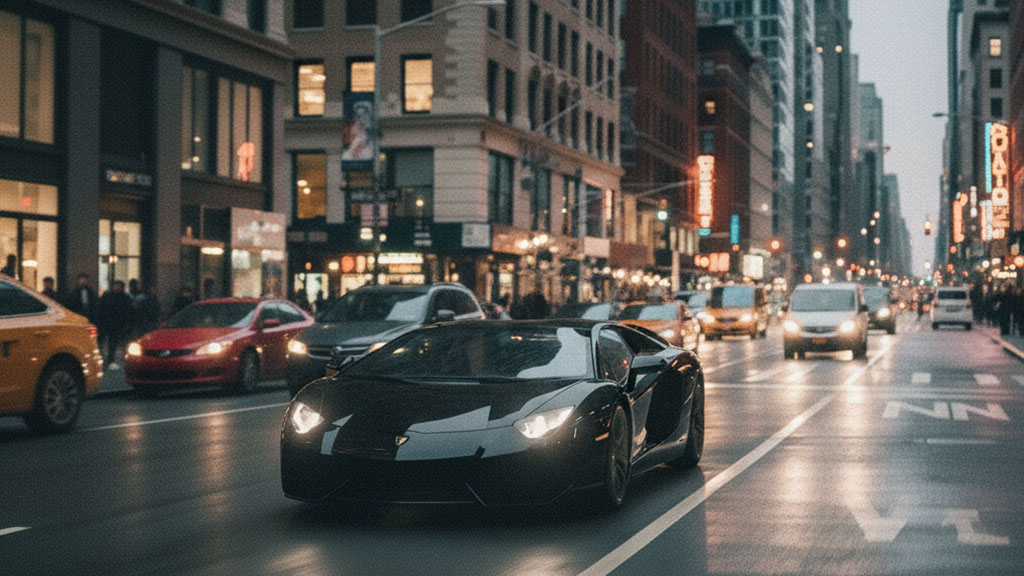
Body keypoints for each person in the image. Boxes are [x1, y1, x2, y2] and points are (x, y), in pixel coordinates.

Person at [96, 280, 134, 368]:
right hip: (107, 323)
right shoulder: (107, 297)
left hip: (119, 324)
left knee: (116, 343)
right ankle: (106, 359)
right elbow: (100, 309)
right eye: (115, 286)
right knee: (105, 342)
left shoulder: (125, 298)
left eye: (119, 286)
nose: (117, 288)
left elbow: (129, 312)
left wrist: (128, 323)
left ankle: (115, 359)